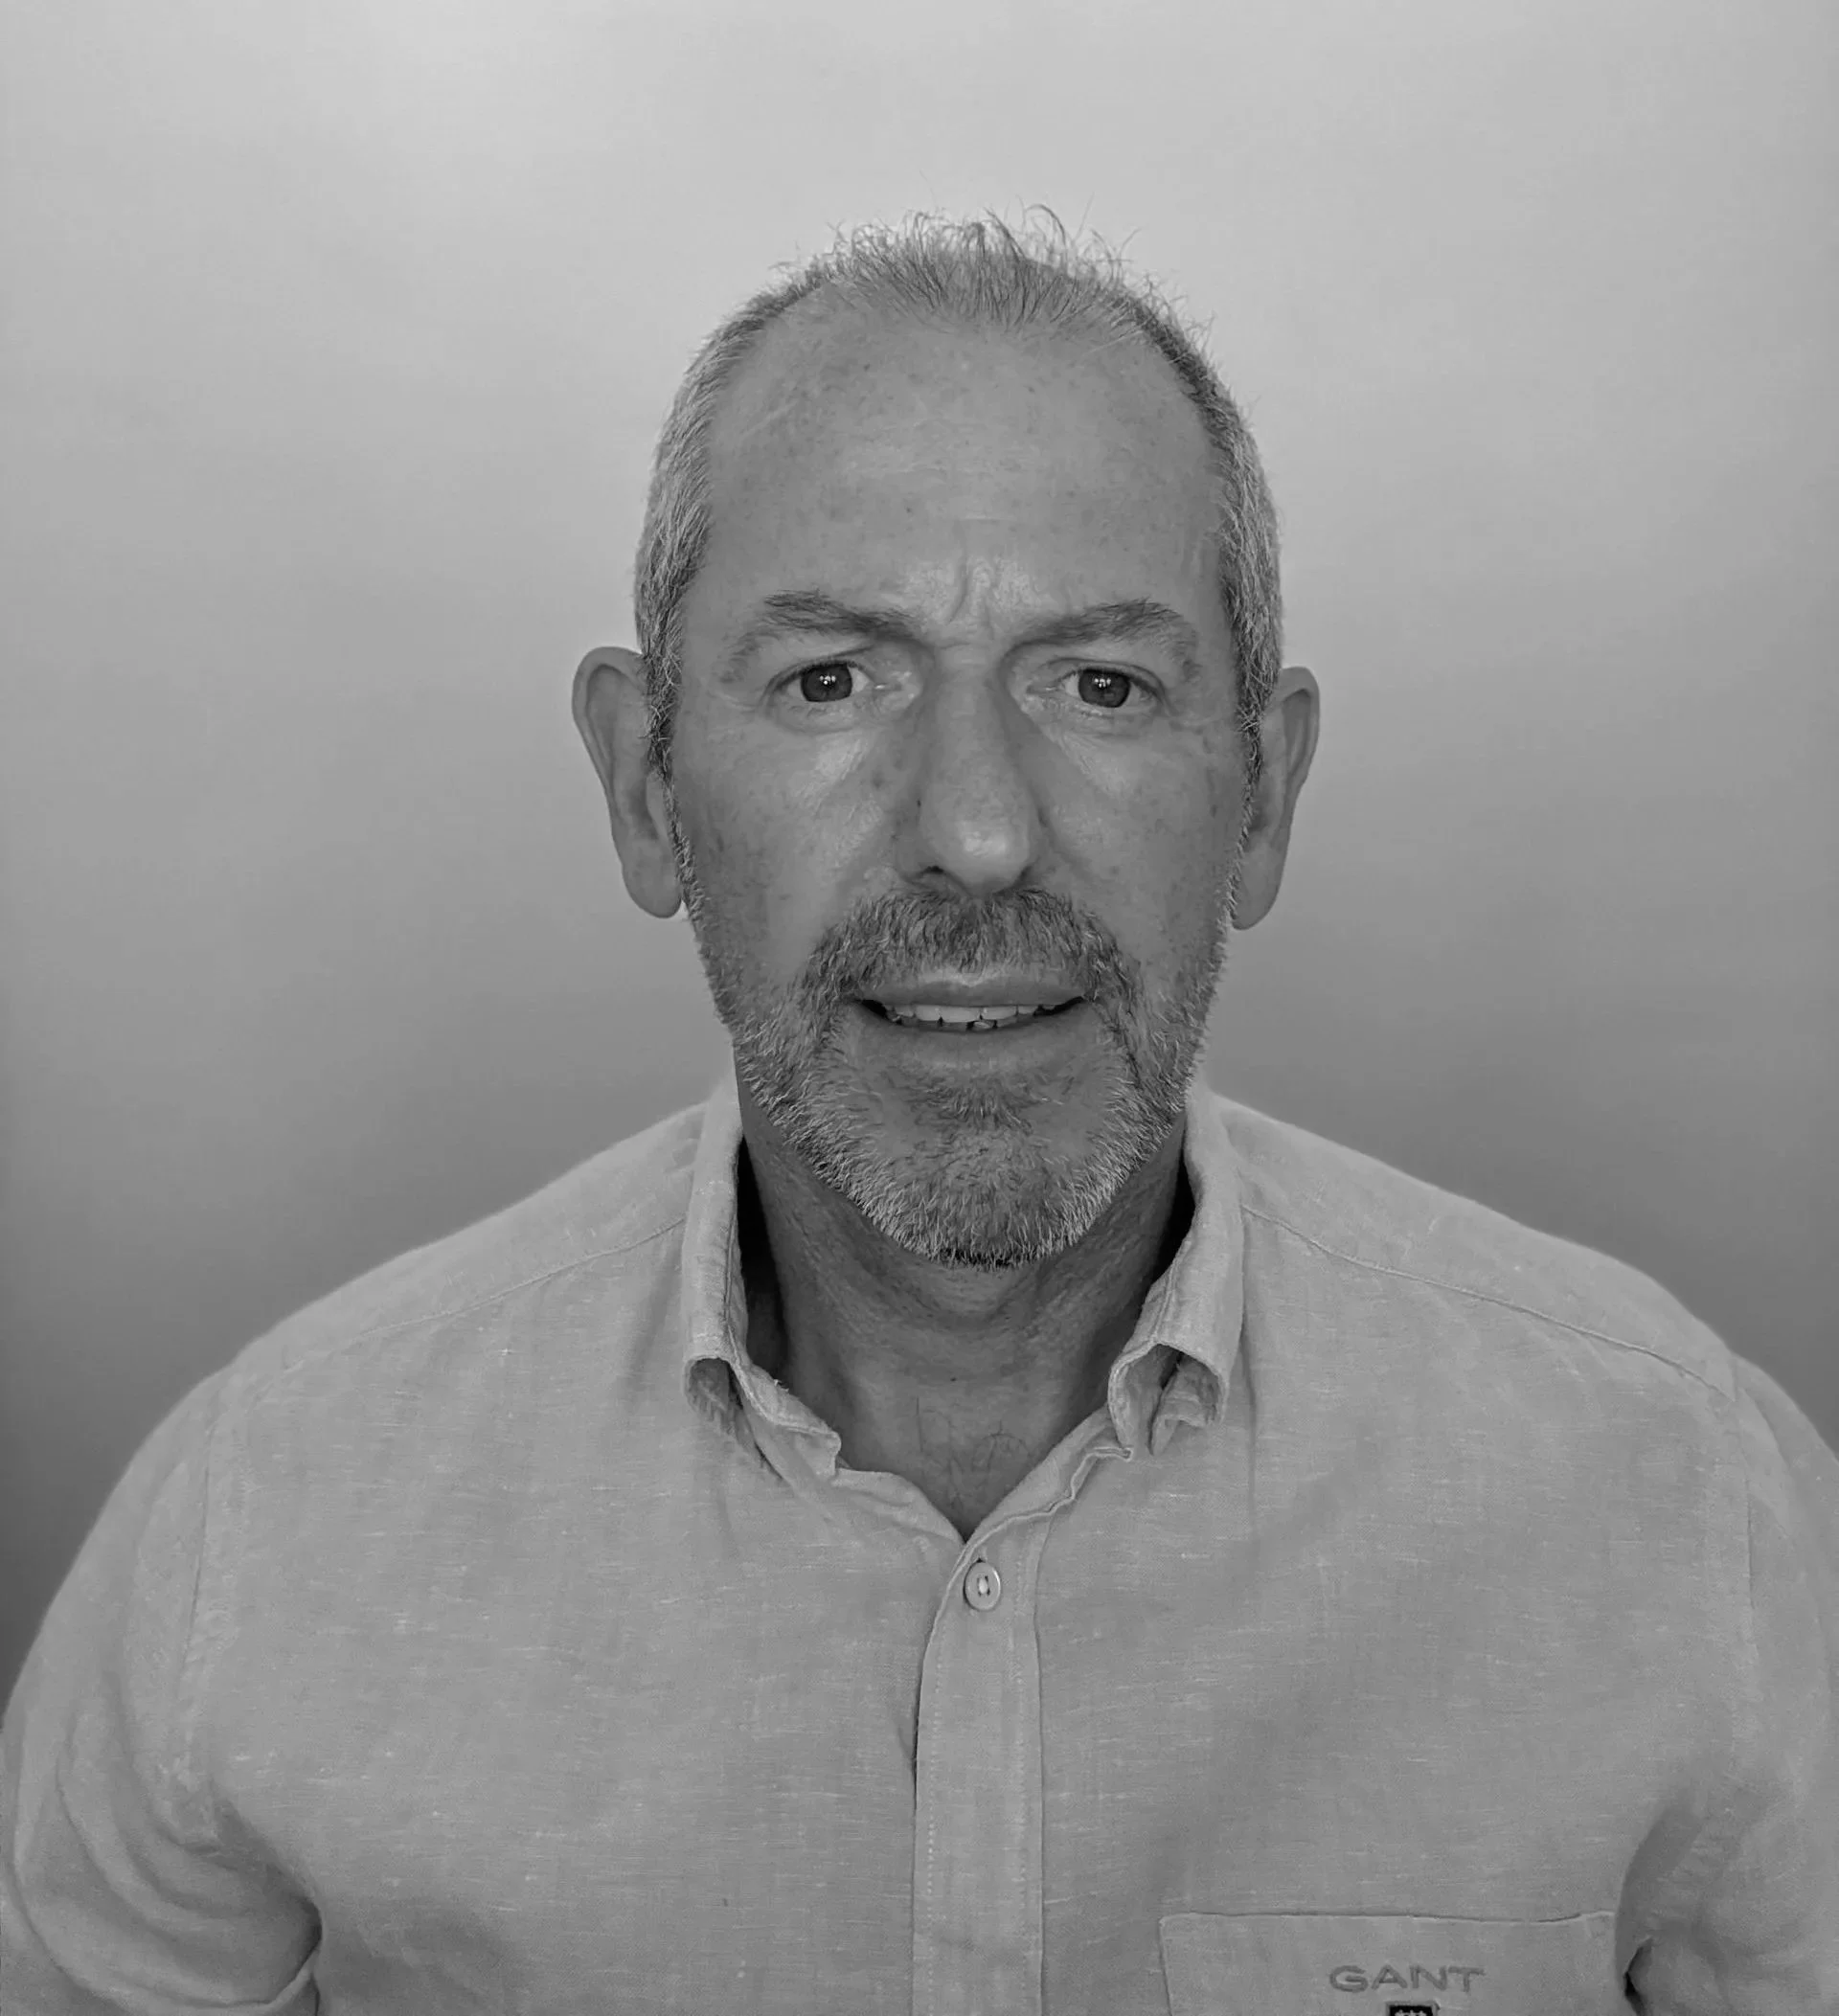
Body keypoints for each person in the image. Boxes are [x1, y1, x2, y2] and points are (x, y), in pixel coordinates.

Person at [2, 215, 1833, 2015]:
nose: (976, 828)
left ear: (1261, 797)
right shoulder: (265, 1529)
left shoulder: (1681, 1503)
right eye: (832, 681)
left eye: (1101, 685)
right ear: (647, 787)